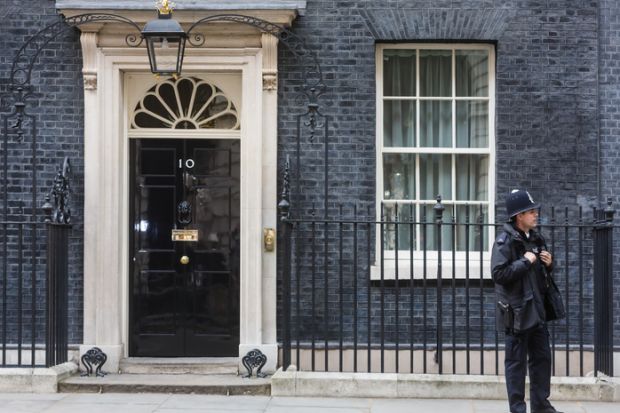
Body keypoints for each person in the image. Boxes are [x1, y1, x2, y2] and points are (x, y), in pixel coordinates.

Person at [491, 189, 562, 413]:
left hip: (537, 311)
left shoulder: (536, 238)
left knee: (542, 361)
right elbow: (499, 274)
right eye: (531, 211)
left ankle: (541, 407)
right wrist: (525, 261)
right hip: (517, 313)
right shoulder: (504, 242)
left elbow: (540, 276)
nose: (535, 214)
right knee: (516, 365)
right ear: (519, 216)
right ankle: (518, 410)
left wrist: (549, 263)